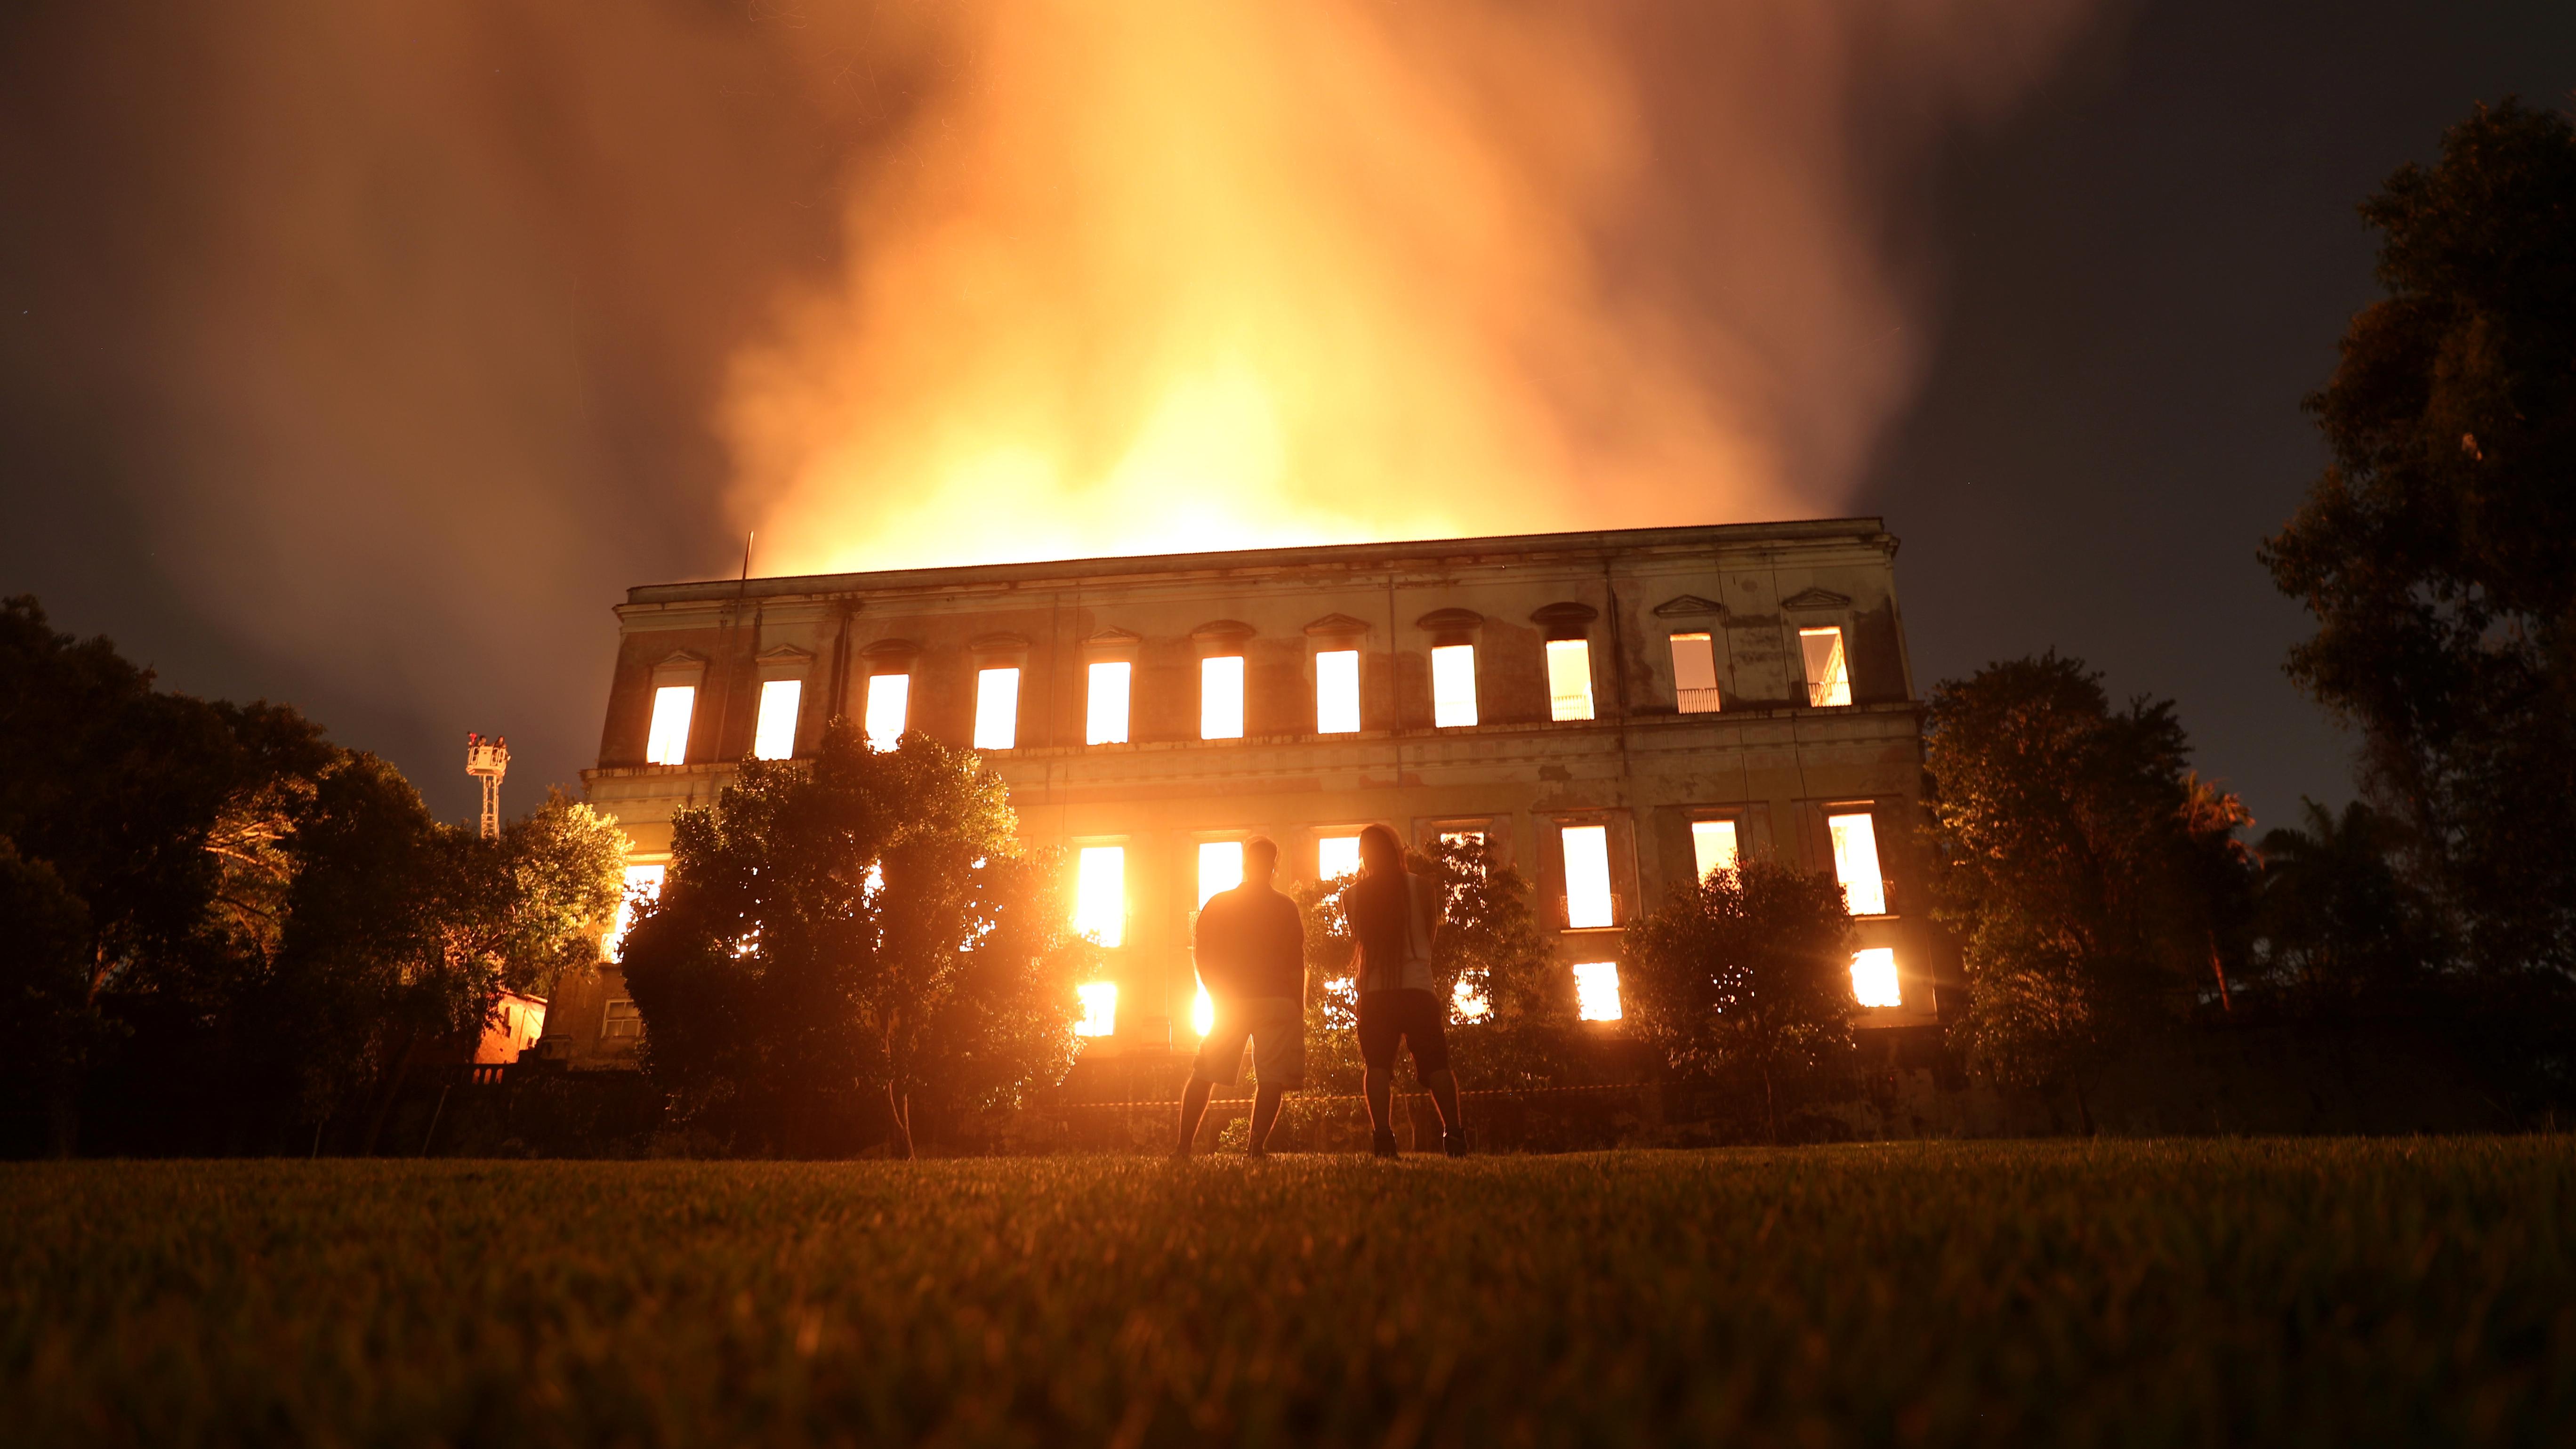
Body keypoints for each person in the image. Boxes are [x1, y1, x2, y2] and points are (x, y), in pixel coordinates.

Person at [1175, 837, 1307, 1158]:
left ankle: (1183, 1148)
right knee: (1271, 1077)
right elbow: (1296, 964)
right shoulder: (1286, 908)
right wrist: (1298, 1008)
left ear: (1246, 864)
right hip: (1276, 1000)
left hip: (1231, 1001)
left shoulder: (1220, 903)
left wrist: (1215, 993)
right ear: (1274, 868)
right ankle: (1255, 1147)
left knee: (1204, 1072)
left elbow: (1202, 954)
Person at [1344, 824, 1466, 1157]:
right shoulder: (1422, 888)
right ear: (1397, 851)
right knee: (1437, 1064)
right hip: (1418, 988)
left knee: (1377, 1065)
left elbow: (1361, 939)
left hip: (1375, 992)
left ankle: (1383, 1139)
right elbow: (1430, 934)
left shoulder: (1352, 896)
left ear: (1364, 855)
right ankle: (1454, 1136)